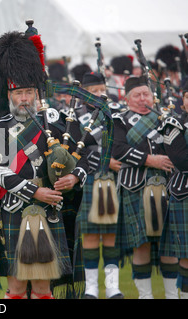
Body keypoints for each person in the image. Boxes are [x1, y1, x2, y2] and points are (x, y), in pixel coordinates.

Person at [0, 31, 80, 299]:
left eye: (29, 92)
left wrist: (75, 178)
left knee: (42, 286)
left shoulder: (55, 123)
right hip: (14, 208)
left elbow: (87, 155)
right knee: (15, 286)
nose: (24, 98)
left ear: (37, 93)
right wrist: (34, 191)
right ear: (9, 94)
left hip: (49, 208)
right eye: (19, 93)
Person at [113, 75, 179, 299]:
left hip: (168, 187)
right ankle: (145, 296)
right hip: (135, 187)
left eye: (146, 94)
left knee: (169, 243)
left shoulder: (165, 118)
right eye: (137, 95)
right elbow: (117, 149)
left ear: (153, 96)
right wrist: (149, 159)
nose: (143, 99)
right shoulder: (119, 120)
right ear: (127, 98)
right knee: (140, 243)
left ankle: (172, 295)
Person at [73, 72, 124, 299]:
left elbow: (123, 143)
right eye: (92, 91)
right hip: (90, 178)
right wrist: (105, 161)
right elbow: (76, 151)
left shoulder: (117, 113)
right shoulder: (73, 117)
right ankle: (91, 287)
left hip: (113, 180)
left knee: (111, 235)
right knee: (91, 235)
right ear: (84, 93)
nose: (98, 94)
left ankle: (113, 286)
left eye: (101, 89)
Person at [158, 82, 188, 299]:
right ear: (183, 100)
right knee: (187, 254)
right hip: (184, 192)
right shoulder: (174, 123)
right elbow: (181, 159)